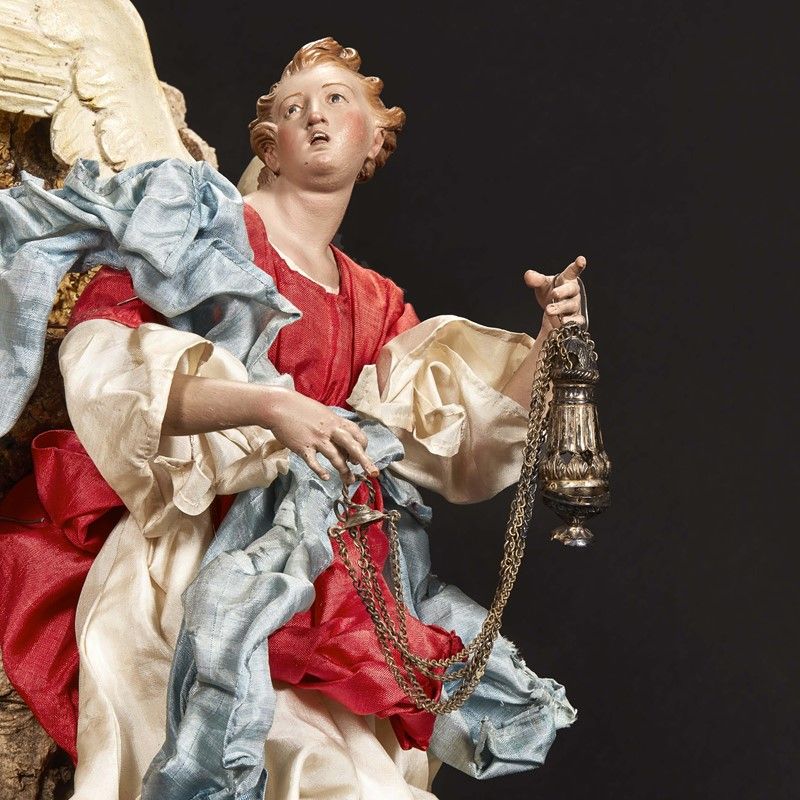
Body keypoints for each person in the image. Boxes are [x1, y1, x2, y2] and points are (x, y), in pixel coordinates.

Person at [2, 36, 584, 800]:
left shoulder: (376, 302)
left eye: (337, 99)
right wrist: (269, 406)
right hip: (193, 547)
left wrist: (550, 341)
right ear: (269, 146)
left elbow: (452, 441)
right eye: (293, 106)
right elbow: (106, 366)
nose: (316, 114)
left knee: (366, 776)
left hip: (332, 576)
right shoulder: (203, 226)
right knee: (272, 753)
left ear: (374, 139)